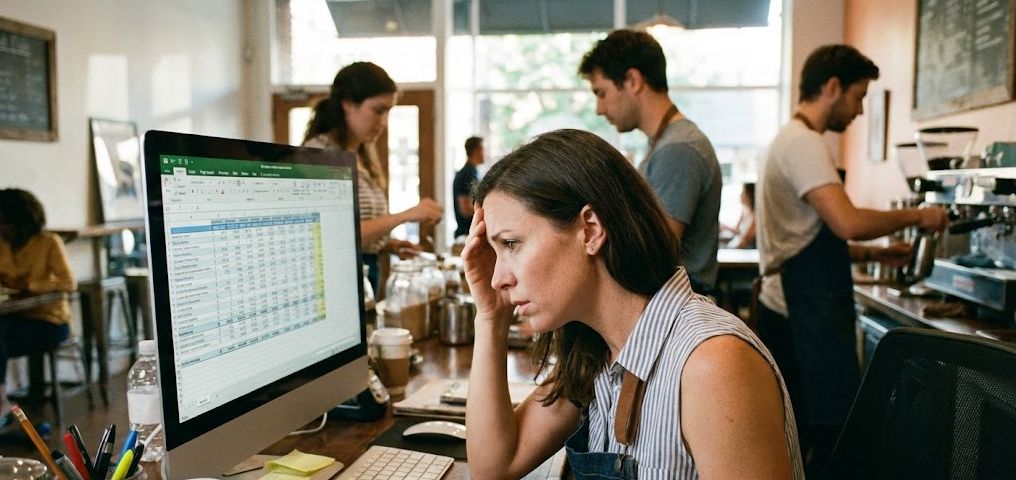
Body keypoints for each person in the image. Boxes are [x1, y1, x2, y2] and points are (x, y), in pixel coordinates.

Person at [464, 129, 804, 479]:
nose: (498, 278)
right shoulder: (596, 353)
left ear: (590, 230)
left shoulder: (713, 365)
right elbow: (494, 466)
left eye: (511, 244)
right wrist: (491, 317)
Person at [755, 44, 949, 476]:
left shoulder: (789, 139)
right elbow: (847, 223)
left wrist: (878, 254)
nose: (860, 110)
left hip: (793, 303)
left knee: (806, 436)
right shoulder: (804, 143)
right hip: (801, 312)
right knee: (828, 437)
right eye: (858, 96)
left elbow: (806, 236)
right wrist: (921, 215)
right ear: (831, 87)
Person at [579, 29, 721, 294]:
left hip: (676, 304)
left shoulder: (678, 149)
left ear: (632, 81)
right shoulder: (665, 144)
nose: (599, 109)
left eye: (601, 93)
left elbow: (653, 252)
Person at [303, 62, 443, 291]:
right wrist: (406, 215)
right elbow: (336, 234)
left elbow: (360, 235)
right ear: (348, 104)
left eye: (388, 112)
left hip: (367, 273)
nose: (384, 122)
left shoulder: (362, 154)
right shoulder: (320, 154)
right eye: (378, 110)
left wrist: (388, 245)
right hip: (339, 280)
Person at [0, 189, 76, 424]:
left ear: (19, 220)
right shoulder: (2, 244)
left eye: (4, 222)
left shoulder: (49, 242)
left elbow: (68, 283)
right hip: (16, 316)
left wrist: (30, 285)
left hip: (50, 320)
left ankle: (2, 404)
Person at [453, 136, 484, 238]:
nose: (484, 153)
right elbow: (465, 210)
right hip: (466, 234)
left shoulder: (473, 173)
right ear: (475, 151)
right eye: (482, 149)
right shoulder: (465, 175)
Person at [722, 182, 756, 249]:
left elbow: (745, 240)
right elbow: (737, 231)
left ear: (749, 195)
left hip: (746, 249)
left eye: (743, 192)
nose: (740, 195)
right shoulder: (744, 212)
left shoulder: (755, 217)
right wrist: (724, 227)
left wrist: (728, 248)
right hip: (738, 245)